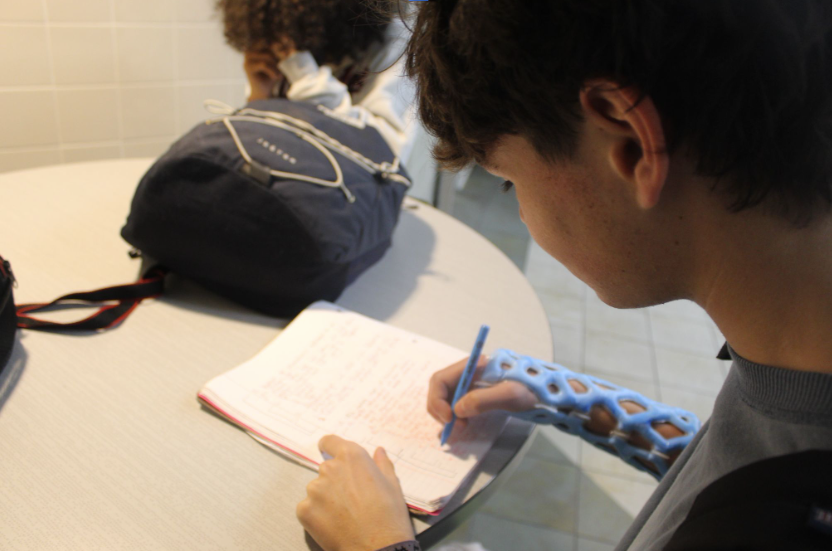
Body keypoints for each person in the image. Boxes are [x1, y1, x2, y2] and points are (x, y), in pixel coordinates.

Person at [295, 1, 832, 550]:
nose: (524, 217)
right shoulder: (793, 343)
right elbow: (732, 458)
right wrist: (564, 396)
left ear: (627, 143)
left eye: (509, 180)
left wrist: (380, 544)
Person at [216, 0, 413, 156]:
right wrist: (259, 99)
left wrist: (305, 77)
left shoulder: (395, 41)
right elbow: (263, 150)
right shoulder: (284, 30)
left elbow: (389, 152)